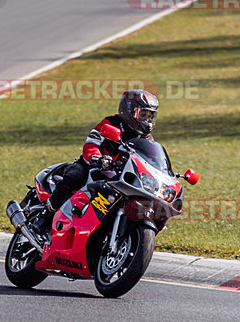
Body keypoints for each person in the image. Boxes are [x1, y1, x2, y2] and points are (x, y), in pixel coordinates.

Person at [38, 89, 160, 238]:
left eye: (150, 116)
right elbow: (92, 143)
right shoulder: (111, 123)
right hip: (93, 168)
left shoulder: (147, 139)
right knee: (74, 177)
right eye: (143, 115)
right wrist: (97, 157)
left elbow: (150, 159)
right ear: (129, 111)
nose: (147, 120)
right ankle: (44, 216)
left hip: (120, 177)